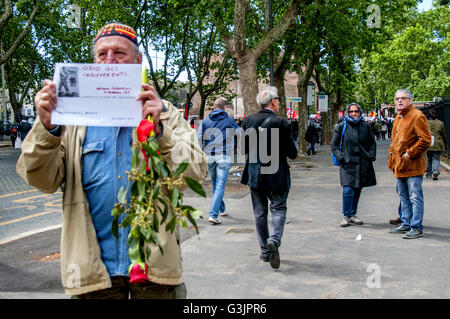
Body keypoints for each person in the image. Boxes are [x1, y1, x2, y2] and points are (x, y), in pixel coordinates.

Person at [16, 23, 207, 298]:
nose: (109, 61)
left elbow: (193, 176)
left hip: (154, 267)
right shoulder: (70, 119)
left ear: (138, 61)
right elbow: (42, 180)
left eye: (119, 53)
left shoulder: (165, 113)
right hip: (93, 271)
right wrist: (47, 129)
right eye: (102, 54)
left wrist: (161, 133)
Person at [240, 86, 298, 269]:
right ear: (273, 101)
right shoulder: (282, 123)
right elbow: (292, 153)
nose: (279, 102)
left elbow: (243, 149)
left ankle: (265, 250)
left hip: (255, 173)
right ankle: (274, 239)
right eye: (279, 99)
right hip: (277, 174)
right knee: (279, 208)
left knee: (259, 213)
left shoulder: (247, 121)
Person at [387, 89, 430, 239]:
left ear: (410, 101)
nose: (399, 101)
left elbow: (425, 140)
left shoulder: (417, 116)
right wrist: (391, 157)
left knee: (415, 197)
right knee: (403, 196)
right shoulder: (399, 117)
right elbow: (394, 141)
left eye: (403, 98)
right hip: (400, 166)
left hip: (413, 165)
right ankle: (406, 223)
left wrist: (409, 154)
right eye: (397, 98)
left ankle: (416, 227)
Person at [331, 103, 377, 227]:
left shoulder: (366, 126)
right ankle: (346, 215)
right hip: (347, 164)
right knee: (348, 190)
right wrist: (341, 157)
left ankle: (352, 214)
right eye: (351, 111)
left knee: (357, 189)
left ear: (359, 112)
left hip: (362, 163)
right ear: (347, 113)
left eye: (356, 111)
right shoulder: (341, 127)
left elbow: (372, 143)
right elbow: (334, 146)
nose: (354, 113)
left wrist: (371, 156)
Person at [197, 97, 241, 224]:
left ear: (214, 107)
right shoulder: (229, 120)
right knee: (220, 185)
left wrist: (201, 153)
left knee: (216, 183)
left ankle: (221, 208)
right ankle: (213, 214)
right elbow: (241, 133)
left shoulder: (205, 121)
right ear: (223, 108)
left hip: (210, 156)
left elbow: (199, 138)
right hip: (223, 155)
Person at [425, 109, 447, 181]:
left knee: (429, 158)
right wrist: (445, 143)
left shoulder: (425, 123)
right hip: (438, 143)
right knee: (436, 158)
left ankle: (428, 172)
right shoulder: (440, 123)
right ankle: (435, 171)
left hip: (429, 143)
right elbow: (444, 134)